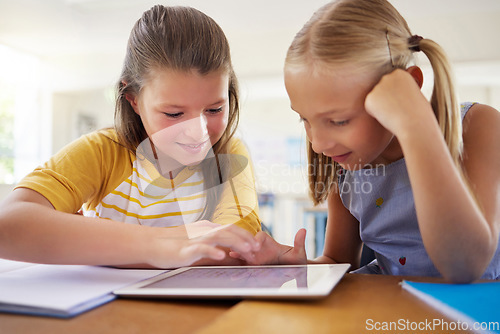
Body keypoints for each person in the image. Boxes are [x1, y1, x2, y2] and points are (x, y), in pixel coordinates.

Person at [232, 0, 500, 282]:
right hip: (390, 308)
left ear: (409, 87)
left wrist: (414, 123)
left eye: (339, 121)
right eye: (305, 120)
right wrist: (293, 265)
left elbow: (467, 266)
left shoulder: (477, 125)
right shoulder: (347, 167)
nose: (318, 145)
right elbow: (337, 261)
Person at [0, 5, 262, 269]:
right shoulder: (102, 151)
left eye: (215, 109)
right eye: (174, 113)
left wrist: (85, 239)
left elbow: (235, 246)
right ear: (134, 100)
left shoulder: (230, 154)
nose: (198, 131)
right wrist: (159, 245)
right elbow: (8, 224)